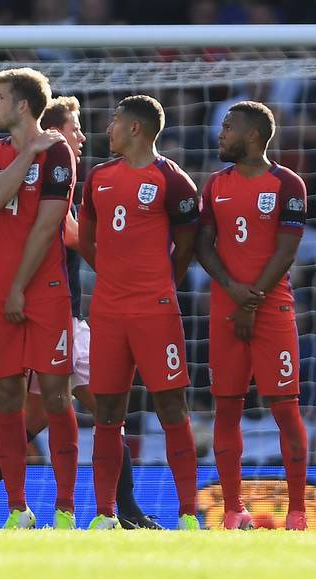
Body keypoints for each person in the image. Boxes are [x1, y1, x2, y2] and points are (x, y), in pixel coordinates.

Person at [0, 96, 160, 530]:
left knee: (49, 419)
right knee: (103, 413)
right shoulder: (57, 186)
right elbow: (76, 240)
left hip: (68, 321)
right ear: (53, 130)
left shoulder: (63, 186)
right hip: (57, 321)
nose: (81, 137)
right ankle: (117, 509)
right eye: (73, 128)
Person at [79, 95, 200, 531]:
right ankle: (106, 514)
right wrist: (114, 277)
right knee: (107, 412)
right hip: (108, 311)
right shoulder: (98, 178)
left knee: (171, 405)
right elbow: (87, 240)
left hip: (155, 309)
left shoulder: (172, 179)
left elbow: (187, 243)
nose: (107, 129)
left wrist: (161, 284)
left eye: (114, 121)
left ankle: (189, 514)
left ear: (135, 129)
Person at [195, 101, 309, 531]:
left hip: (272, 309)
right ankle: (232, 511)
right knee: (226, 409)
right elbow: (205, 243)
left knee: (284, 408)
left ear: (255, 136)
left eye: (229, 127)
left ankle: (297, 512)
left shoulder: (288, 183)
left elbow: (287, 249)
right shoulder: (214, 184)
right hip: (226, 308)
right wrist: (232, 290)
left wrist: (251, 299)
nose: (221, 133)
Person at [0, 68, 78, 530]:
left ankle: (66, 510)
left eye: (0, 97)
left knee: (56, 397)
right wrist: (25, 155)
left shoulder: (59, 155)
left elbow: (47, 226)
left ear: (22, 105)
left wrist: (19, 286)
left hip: (43, 291)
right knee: (8, 398)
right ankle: (18, 509)